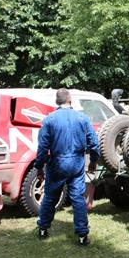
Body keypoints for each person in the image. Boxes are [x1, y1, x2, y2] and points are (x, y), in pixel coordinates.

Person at [35, 88, 99, 245]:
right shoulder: (82, 118)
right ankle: (82, 236)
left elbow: (43, 147)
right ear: (70, 100)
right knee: (77, 198)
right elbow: (94, 144)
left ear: (57, 101)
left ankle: (43, 229)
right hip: (77, 163)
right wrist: (93, 162)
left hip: (57, 163)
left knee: (50, 197)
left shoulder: (49, 119)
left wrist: (39, 167)